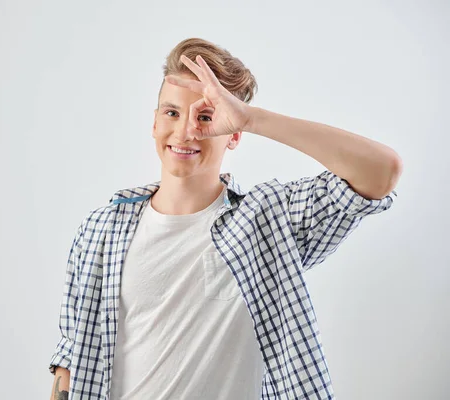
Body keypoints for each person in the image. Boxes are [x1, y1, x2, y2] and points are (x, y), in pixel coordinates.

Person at [48, 37, 402, 400]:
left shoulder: (266, 222)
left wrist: (252, 118)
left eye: (205, 117)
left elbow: (381, 171)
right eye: (172, 113)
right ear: (154, 122)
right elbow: (72, 359)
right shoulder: (102, 229)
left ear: (233, 135)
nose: (185, 131)